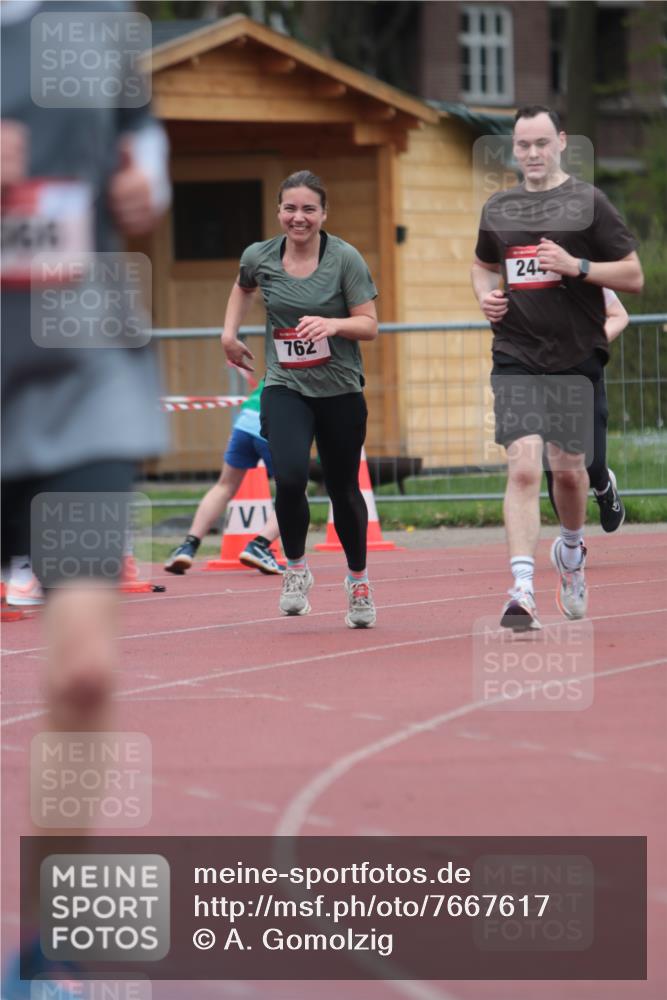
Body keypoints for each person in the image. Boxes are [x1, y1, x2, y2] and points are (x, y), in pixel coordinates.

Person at [1, 2, 169, 995]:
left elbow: (142, 140)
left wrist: (146, 184)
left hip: (83, 382)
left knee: (84, 673)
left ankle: (48, 951)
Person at [471, 105, 643, 632]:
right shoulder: (499, 208)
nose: (532, 153)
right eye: (523, 145)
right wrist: (485, 296)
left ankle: (571, 552)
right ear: (514, 149)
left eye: (541, 143)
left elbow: (633, 276)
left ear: (561, 142)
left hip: (574, 358)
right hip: (516, 355)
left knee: (568, 473)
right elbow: (483, 264)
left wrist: (577, 267)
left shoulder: (589, 203)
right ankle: (521, 590)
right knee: (524, 468)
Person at [221, 170, 379, 628]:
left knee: (343, 488)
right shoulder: (260, 256)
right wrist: (229, 333)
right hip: (285, 385)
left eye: (309, 209)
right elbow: (243, 286)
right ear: (279, 212)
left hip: (340, 388)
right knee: (289, 477)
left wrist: (333, 325)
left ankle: (358, 581)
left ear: (324, 214)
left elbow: (369, 324)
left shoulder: (344, 258)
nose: (299, 217)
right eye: (290, 208)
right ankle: (295, 569)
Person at [164, 377, 285, 575]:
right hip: (276, 424)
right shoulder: (323, 366)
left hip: (245, 421)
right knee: (295, 493)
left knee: (224, 486)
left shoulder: (279, 358)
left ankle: (188, 546)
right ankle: (260, 545)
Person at [544, 288, 629, 531]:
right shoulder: (524, 282)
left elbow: (619, 315)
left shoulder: (583, 276)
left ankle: (604, 486)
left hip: (583, 375)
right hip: (541, 378)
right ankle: (572, 542)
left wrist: (591, 345)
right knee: (557, 471)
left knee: (591, 465)